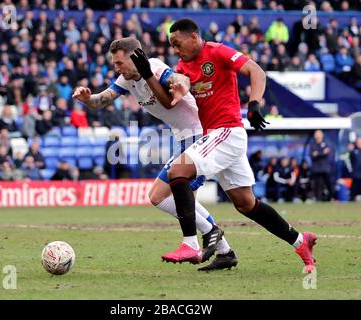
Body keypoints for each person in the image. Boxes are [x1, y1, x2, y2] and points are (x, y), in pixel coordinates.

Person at [139, 18, 316, 272]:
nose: (176, 50)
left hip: (227, 132)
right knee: (246, 203)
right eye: (172, 46)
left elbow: (256, 71)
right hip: (216, 139)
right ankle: (301, 241)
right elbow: (171, 98)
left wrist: (254, 103)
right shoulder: (183, 66)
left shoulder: (218, 51)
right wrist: (148, 75)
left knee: (178, 171)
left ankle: (190, 243)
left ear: (194, 37)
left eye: (178, 44)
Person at [73, 37, 237, 270]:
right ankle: (224, 251)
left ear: (135, 57)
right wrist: (87, 97)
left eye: (120, 63)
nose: (116, 68)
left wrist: (180, 84)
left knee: (174, 195)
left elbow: (176, 77)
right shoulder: (126, 79)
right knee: (168, 197)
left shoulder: (156, 68)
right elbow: (101, 100)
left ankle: (204, 238)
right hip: (184, 139)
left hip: (201, 136)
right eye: (114, 64)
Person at [310, 130, 333, 201]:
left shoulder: (326, 143)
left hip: (325, 168)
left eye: (319, 134)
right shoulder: (312, 144)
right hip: (316, 169)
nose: (318, 136)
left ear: (322, 135)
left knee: (329, 184)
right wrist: (322, 152)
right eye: (316, 134)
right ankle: (318, 199)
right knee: (318, 185)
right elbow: (312, 154)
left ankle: (331, 198)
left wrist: (318, 153)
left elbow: (327, 152)